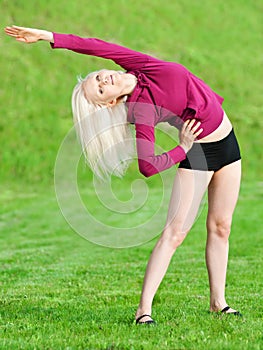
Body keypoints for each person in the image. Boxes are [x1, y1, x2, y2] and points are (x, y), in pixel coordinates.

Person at [4, 25, 242, 324]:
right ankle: (144, 310)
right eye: (100, 90)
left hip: (228, 141)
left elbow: (94, 45)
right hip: (199, 154)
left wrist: (48, 36)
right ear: (110, 102)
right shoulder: (141, 109)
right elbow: (147, 165)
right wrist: (183, 149)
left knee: (222, 227)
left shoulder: (139, 65)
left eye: (97, 78)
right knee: (175, 234)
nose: (103, 80)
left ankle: (218, 303)